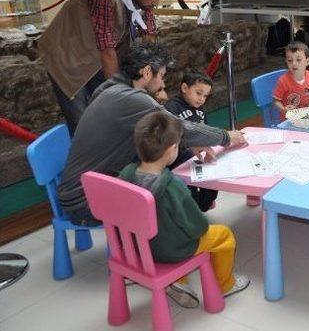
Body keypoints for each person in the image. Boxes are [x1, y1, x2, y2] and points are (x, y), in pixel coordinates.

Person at [57, 42, 246, 227]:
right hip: (85, 203)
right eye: (161, 76)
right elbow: (177, 126)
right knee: (169, 192)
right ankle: (182, 237)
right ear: (147, 72)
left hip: (81, 192)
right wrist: (226, 136)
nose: (162, 83)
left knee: (176, 160)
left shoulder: (111, 88)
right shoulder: (130, 98)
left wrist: (188, 142)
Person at [119, 111, 250, 308]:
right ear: (173, 149)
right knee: (223, 234)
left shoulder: (126, 173)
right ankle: (225, 285)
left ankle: (179, 282)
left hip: (136, 248)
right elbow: (198, 227)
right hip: (171, 251)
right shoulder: (172, 186)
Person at [38, 0, 170, 134]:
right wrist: (120, 92)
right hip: (67, 56)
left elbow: (149, 37)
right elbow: (106, 49)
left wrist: (154, 82)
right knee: (82, 120)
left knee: (106, 112)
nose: (156, 2)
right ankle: (85, 156)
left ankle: (108, 153)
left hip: (95, 58)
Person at [165, 70, 219, 211]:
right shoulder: (171, 107)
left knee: (214, 172)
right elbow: (170, 139)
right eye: (198, 93)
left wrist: (209, 149)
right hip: (178, 159)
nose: (202, 99)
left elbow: (204, 133)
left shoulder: (201, 109)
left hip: (196, 158)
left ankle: (203, 204)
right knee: (191, 191)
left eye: (205, 96)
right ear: (184, 88)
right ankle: (194, 207)